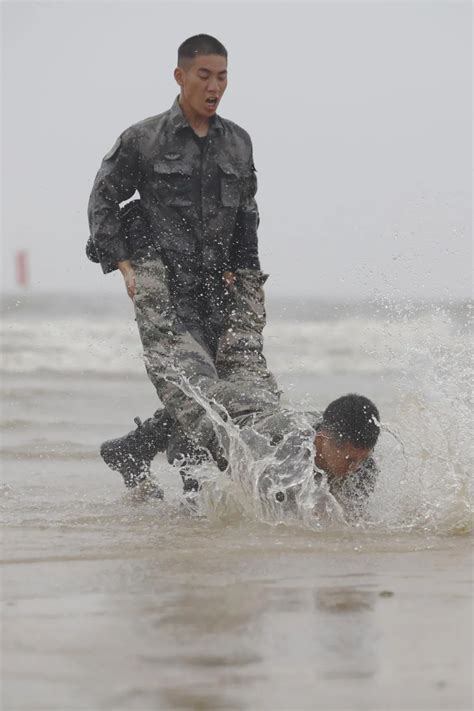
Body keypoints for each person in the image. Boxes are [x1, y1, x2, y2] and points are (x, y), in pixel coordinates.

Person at [87, 34, 271, 492]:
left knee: (224, 385)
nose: (215, 86)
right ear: (180, 76)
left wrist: (245, 277)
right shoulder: (144, 139)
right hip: (166, 290)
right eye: (204, 76)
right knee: (196, 389)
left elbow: (246, 214)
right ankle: (196, 501)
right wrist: (123, 265)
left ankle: (133, 450)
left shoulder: (238, 143)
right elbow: (104, 199)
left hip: (220, 291)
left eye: (222, 76)